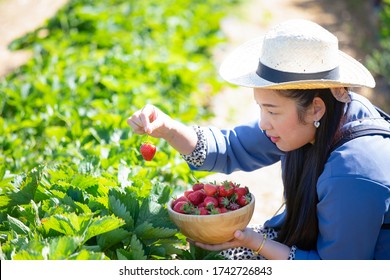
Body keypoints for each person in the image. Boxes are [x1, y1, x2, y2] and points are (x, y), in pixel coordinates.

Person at [127, 19, 390, 260]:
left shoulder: (353, 173)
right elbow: (231, 148)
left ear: (315, 109)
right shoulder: (329, 113)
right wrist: (168, 128)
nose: (263, 123)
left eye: (272, 111)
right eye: (261, 108)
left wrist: (254, 241)